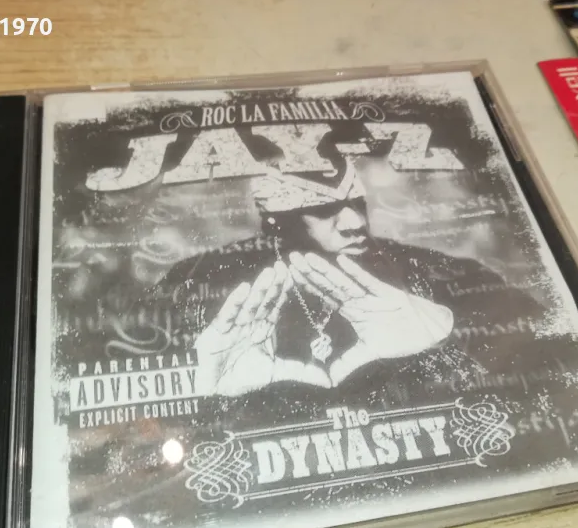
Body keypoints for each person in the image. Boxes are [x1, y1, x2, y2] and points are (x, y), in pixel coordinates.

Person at [152, 158, 548, 401]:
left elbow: (549, 354)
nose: (354, 222)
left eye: (357, 204)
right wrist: (202, 388)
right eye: (325, 209)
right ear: (276, 220)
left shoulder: (437, 271)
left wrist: (447, 339)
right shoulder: (198, 280)